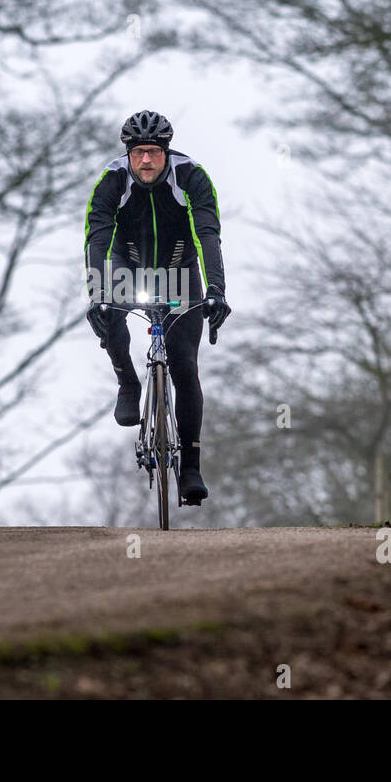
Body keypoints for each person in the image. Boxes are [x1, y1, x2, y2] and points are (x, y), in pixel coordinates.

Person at [82, 110, 230, 506]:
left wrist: (216, 289)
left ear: (166, 152)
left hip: (180, 270)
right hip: (127, 266)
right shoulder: (110, 182)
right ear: (128, 155)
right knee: (109, 312)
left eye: (153, 152)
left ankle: (191, 468)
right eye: (138, 153)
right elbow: (97, 240)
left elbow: (207, 235)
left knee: (185, 366)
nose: (145, 161)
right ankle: (128, 383)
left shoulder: (192, 176)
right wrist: (97, 293)